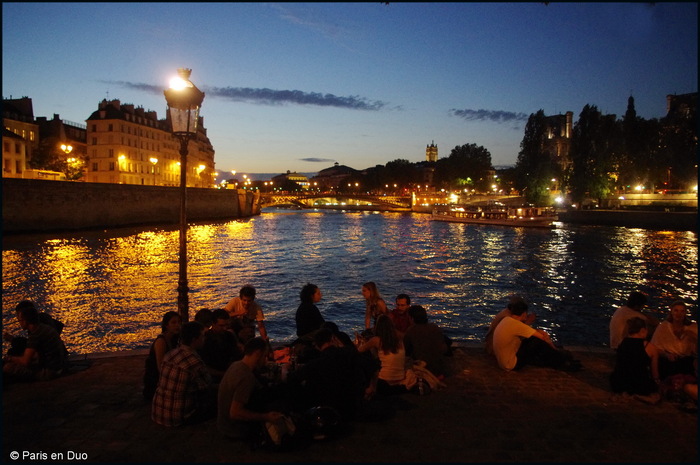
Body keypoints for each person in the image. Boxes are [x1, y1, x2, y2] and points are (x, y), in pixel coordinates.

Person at [289, 328, 380, 421]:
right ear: (332, 339)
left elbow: (293, 377)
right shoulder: (349, 353)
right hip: (353, 404)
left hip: (330, 407)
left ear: (317, 346)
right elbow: (373, 367)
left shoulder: (316, 364)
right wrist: (372, 387)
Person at [217, 337, 285, 441]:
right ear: (257, 354)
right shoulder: (246, 377)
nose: (265, 360)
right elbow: (235, 413)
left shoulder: (236, 365)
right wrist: (266, 417)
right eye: (264, 356)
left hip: (223, 425)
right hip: (235, 430)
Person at [491, 296, 580, 372]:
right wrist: (553, 347)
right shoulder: (517, 325)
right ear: (524, 313)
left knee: (531, 341)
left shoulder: (507, 320)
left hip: (503, 361)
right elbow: (541, 338)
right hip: (510, 364)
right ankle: (562, 361)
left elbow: (526, 332)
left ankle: (557, 360)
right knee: (537, 342)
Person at [152, 321, 215, 426]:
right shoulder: (193, 361)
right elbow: (207, 386)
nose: (205, 339)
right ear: (195, 340)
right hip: (179, 416)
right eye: (203, 336)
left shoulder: (170, 354)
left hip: (158, 412)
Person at [3, 301, 66, 383]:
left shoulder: (35, 334)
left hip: (50, 372)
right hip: (59, 366)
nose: (19, 323)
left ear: (25, 321)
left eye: (20, 320)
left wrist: (10, 358)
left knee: (8, 368)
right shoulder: (44, 327)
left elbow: (25, 361)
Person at [358, 314, 415, 395]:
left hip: (383, 381)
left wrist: (362, 343)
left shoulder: (376, 340)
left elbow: (359, 350)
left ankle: (370, 388)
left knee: (364, 359)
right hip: (399, 378)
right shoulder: (399, 338)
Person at [610, 317, 661, 404]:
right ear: (643, 330)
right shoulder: (650, 347)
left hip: (620, 383)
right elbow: (654, 373)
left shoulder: (622, 343)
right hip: (639, 384)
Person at [650, 300, 697, 379]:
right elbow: (655, 347)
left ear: (685, 313)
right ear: (671, 312)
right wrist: (667, 355)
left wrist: (692, 336)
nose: (679, 314)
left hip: (686, 360)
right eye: (676, 310)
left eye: (682, 311)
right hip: (668, 360)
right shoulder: (663, 327)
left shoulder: (692, 327)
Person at [143, 311, 182, 401]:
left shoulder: (176, 339)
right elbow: (160, 367)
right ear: (166, 325)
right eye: (173, 322)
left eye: (179, 322)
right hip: (157, 382)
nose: (177, 325)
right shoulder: (161, 342)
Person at [404, 305, 450, 378]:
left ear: (412, 318)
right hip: (438, 368)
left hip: (423, 367)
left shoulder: (411, 330)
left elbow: (406, 350)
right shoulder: (435, 328)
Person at [199, 309, 243, 382]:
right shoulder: (205, 340)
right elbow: (203, 366)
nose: (225, 328)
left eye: (227, 325)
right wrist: (223, 374)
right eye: (221, 326)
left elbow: (236, 355)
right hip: (213, 377)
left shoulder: (229, 336)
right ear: (213, 323)